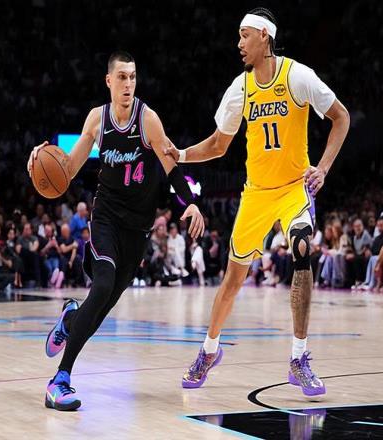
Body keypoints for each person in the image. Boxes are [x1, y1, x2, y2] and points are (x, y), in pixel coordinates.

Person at [165, 8, 349, 396]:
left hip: (294, 189)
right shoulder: (241, 88)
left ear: (264, 36)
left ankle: (299, 358)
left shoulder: (297, 76)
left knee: (302, 247)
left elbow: (341, 117)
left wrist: (323, 168)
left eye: (244, 35)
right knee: (232, 280)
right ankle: (209, 350)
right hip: (256, 194)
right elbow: (218, 145)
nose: (239, 43)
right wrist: (179, 154)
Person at [27, 50, 204, 411]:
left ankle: (71, 318)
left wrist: (190, 202)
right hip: (106, 218)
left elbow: (171, 167)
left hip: (137, 229)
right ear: (109, 81)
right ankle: (59, 381)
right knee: (103, 285)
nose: (128, 84)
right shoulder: (98, 119)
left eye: (133, 77)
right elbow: (68, 168)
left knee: (100, 309)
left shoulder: (148, 119)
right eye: (122, 77)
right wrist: (41, 158)